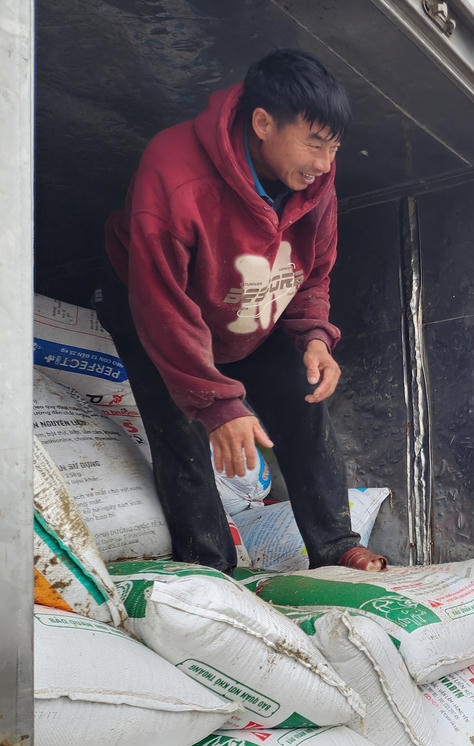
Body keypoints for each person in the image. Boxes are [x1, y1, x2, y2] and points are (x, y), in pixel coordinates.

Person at [98, 49, 385, 574]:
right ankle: (212, 567)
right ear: (262, 123)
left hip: (245, 307)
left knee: (305, 402)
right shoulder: (174, 172)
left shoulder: (316, 181)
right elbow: (163, 306)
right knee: (180, 426)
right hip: (160, 307)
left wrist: (316, 338)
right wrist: (216, 403)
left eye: (335, 147)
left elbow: (313, 271)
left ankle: (335, 544)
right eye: (315, 144)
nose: (325, 162)